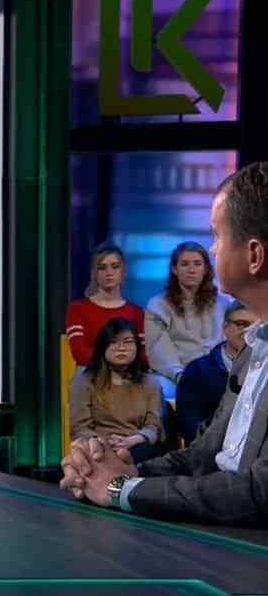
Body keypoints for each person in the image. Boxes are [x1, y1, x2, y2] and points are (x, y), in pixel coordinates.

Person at [60, 161, 268, 525]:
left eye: (217, 236)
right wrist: (124, 470)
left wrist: (121, 489)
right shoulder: (252, 350)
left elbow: (257, 493)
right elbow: (202, 457)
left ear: (254, 256)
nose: (212, 249)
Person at [145, 241, 231, 399]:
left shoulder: (224, 304)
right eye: (184, 264)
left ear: (205, 269)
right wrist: (182, 376)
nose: (191, 270)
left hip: (217, 373)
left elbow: (228, 345)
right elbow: (159, 351)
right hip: (176, 376)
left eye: (197, 264)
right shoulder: (158, 305)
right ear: (174, 269)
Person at [69, 317, 162, 463]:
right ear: (102, 347)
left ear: (137, 347)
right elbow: (80, 428)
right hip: (97, 447)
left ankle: (123, 476)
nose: (121, 348)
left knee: (144, 455)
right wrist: (102, 443)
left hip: (136, 446)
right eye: (113, 342)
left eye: (128, 342)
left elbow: (153, 427)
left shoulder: (150, 383)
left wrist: (132, 440)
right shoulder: (85, 380)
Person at [176, 300, 256, 445]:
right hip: (210, 450)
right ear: (225, 328)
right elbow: (190, 427)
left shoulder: (264, 370)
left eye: (255, 326)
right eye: (242, 324)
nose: (249, 331)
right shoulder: (197, 371)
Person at [65, 242, 144, 367]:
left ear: (123, 272)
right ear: (94, 274)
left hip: (128, 372)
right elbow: (80, 353)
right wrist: (114, 363)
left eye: (115, 266)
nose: (109, 272)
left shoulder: (136, 312)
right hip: (92, 372)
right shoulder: (78, 309)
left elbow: (142, 354)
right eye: (102, 267)